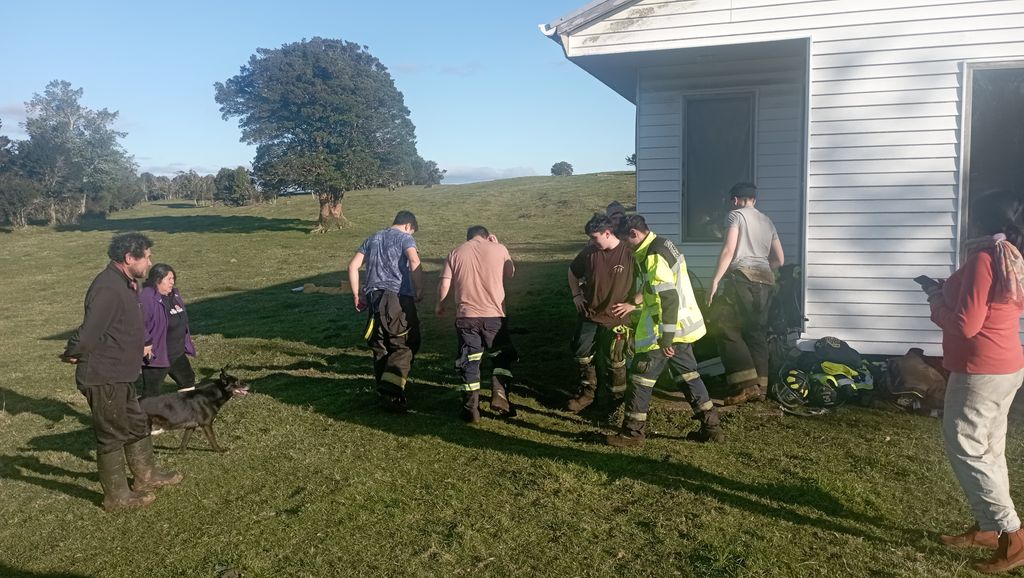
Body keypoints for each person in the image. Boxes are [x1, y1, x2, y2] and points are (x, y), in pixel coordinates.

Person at [929, 194, 1024, 574]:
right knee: (989, 450)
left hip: (979, 371)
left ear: (977, 223)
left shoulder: (983, 260)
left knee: (967, 448)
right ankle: (990, 527)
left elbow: (967, 325)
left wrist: (937, 302)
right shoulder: (1010, 255)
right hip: (1007, 365)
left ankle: (1013, 535)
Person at [61, 233, 183, 511]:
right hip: (104, 375)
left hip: (123, 373)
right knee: (112, 433)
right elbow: (90, 330)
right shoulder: (107, 287)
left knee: (137, 423)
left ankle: (146, 475)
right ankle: (116, 496)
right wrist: (73, 351)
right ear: (129, 258)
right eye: (147, 256)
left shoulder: (126, 284)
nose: (149, 262)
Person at [605, 215, 723, 447]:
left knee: (640, 379)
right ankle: (712, 427)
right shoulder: (663, 244)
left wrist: (666, 338)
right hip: (681, 327)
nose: (625, 246)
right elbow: (655, 287)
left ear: (635, 234)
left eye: (625, 240)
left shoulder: (653, 256)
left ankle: (632, 433)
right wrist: (636, 303)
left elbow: (668, 297)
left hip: (665, 332)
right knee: (688, 376)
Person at [708, 182, 785, 405]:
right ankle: (760, 388)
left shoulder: (735, 216)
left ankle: (744, 385)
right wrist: (763, 267)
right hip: (766, 282)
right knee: (756, 332)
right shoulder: (767, 221)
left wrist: (715, 280)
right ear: (754, 199)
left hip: (742, 278)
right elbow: (780, 260)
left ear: (735, 200)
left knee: (724, 326)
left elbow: (730, 250)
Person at [435, 226, 518, 422]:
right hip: (495, 316)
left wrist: (440, 305)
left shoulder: (456, 252)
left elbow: (445, 284)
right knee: (501, 355)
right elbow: (510, 273)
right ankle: (499, 392)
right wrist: (497, 245)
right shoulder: (499, 249)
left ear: (469, 238)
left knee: (470, 360)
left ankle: (470, 408)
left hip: (466, 317)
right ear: (486, 235)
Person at [348, 210, 423, 411]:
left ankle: (385, 394)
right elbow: (414, 262)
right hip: (397, 297)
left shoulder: (372, 238)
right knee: (406, 342)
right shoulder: (405, 239)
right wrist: (419, 289)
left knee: (380, 344)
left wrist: (357, 294)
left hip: (374, 298)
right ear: (408, 226)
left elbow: (353, 266)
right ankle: (391, 388)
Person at [565, 214, 634, 416]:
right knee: (581, 354)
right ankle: (588, 394)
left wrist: (633, 304)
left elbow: (647, 281)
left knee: (616, 359)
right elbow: (572, 271)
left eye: (595, 237)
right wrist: (576, 295)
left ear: (607, 233)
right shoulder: (589, 252)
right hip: (589, 315)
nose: (592, 242)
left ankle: (615, 402)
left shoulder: (630, 253)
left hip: (617, 319)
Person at [138, 264, 197, 398]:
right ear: (157, 280)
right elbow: (137, 323)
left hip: (177, 352)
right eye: (169, 278)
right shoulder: (146, 298)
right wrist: (146, 342)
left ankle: (186, 411)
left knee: (188, 380)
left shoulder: (174, 295)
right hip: (157, 355)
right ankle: (143, 417)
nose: (172, 282)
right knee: (151, 392)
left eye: (173, 278)